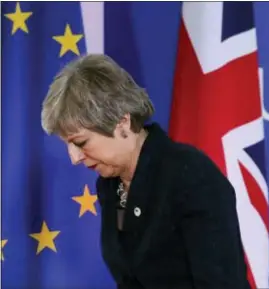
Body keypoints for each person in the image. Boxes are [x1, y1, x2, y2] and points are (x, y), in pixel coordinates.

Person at [41, 54, 252, 289]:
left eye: (80, 143)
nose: (75, 158)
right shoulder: (111, 185)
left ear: (121, 123)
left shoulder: (190, 175)